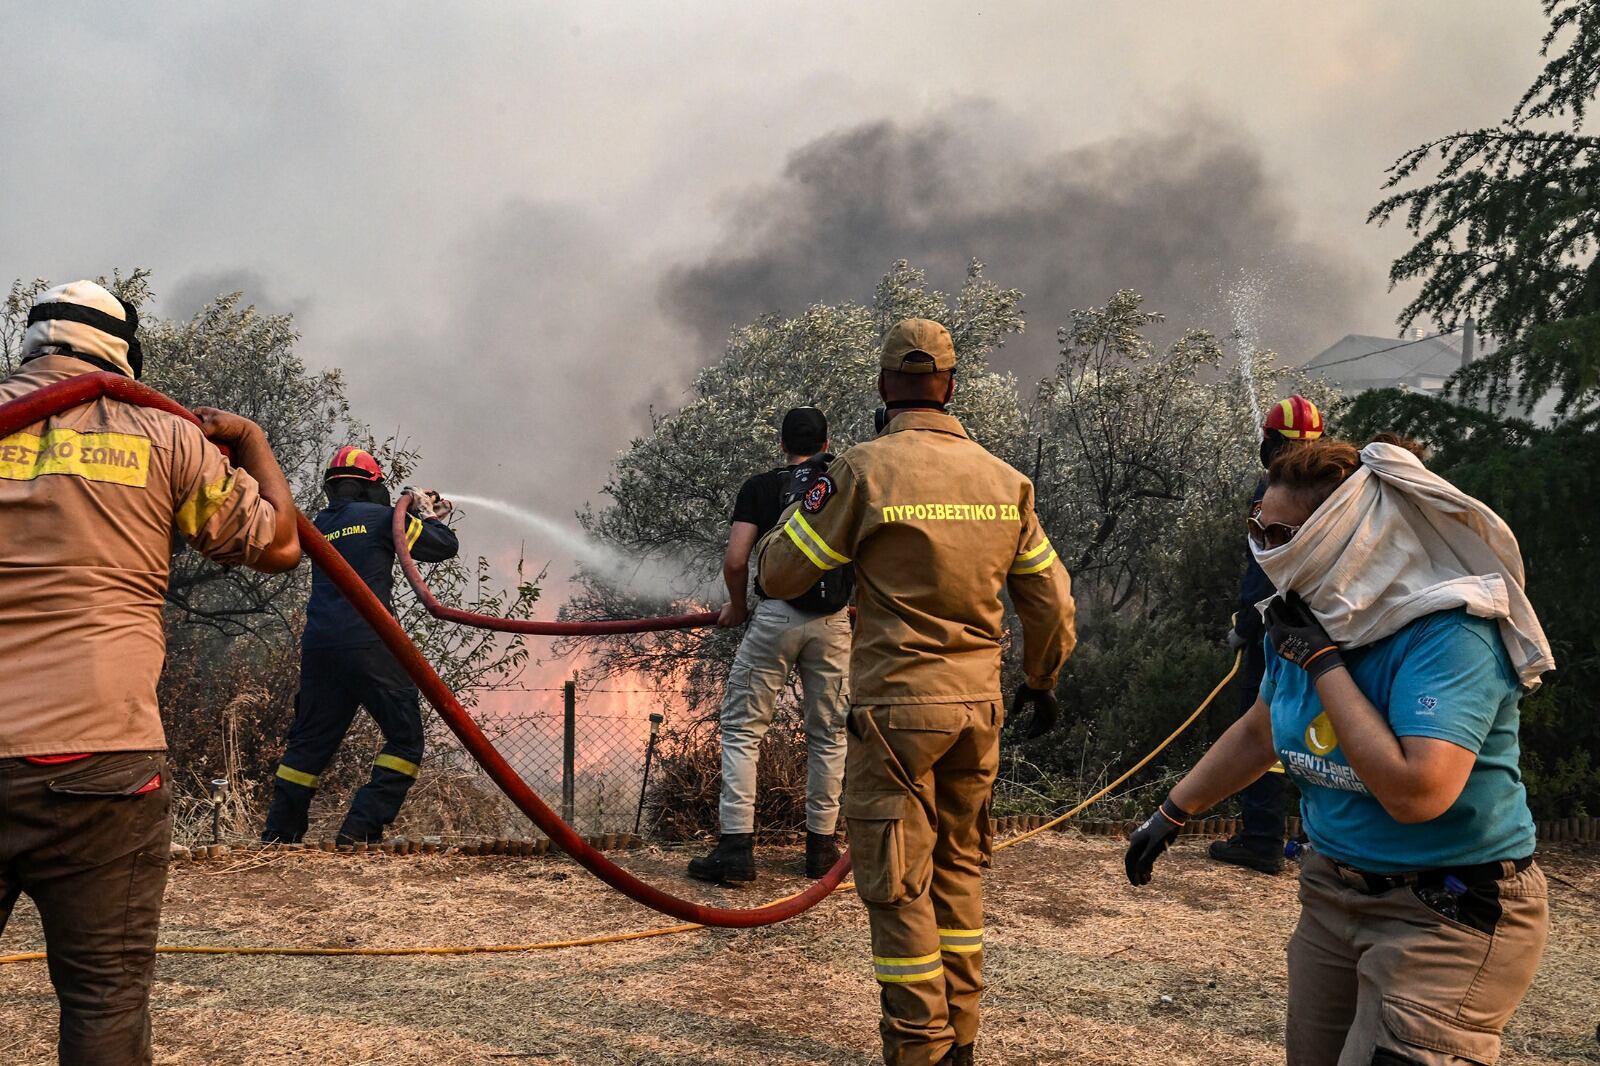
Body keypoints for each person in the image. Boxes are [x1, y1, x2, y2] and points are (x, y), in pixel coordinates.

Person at [1125, 437, 1553, 1066]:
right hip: (1332, 890)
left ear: (1345, 533)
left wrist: (1324, 663)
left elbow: (1417, 793)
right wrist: (1171, 814)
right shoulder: (1307, 612)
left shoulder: (1451, 631)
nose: (1266, 549)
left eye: (1283, 535)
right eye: (1258, 529)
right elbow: (1262, 728)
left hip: (1449, 907)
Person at [757, 319, 1077, 1066]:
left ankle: (919, 1048)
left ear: (882, 387)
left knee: (898, 884)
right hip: (978, 709)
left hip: (897, 711)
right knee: (960, 870)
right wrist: (1041, 680)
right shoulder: (1006, 481)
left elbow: (779, 573)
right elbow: (1054, 604)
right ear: (952, 387)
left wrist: (807, 504)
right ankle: (961, 1036)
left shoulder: (864, 471)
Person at [0, 280, 300, 1064]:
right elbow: (279, 547)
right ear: (123, 354)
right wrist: (251, 440)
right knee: (103, 999)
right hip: (99, 760)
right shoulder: (163, 437)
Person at [688, 407, 854, 884]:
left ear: (782, 444)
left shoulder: (760, 488)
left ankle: (736, 851)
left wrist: (738, 607)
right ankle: (821, 850)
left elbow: (735, 560)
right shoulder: (843, 485)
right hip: (833, 621)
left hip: (776, 617)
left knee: (744, 731)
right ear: (827, 443)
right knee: (829, 735)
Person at [261, 448, 458, 845]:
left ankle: (280, 836)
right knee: (405, 740)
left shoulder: (317, 524)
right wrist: (426, 513)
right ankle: (360, 830)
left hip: (321, 647)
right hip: (371, 643)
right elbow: (442, 546)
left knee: (309, 746)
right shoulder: (383, 519)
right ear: (372, 486)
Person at [1211, 394, 1324, 875]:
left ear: (1272, 442)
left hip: (1275, 632)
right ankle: (1321, 839)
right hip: (1330, 633)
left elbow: (1264, 570)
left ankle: (1260, 839)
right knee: (1324, 730)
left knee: (1261, 729)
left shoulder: (1274, 491)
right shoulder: (1339, 487)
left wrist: (1243, 627)